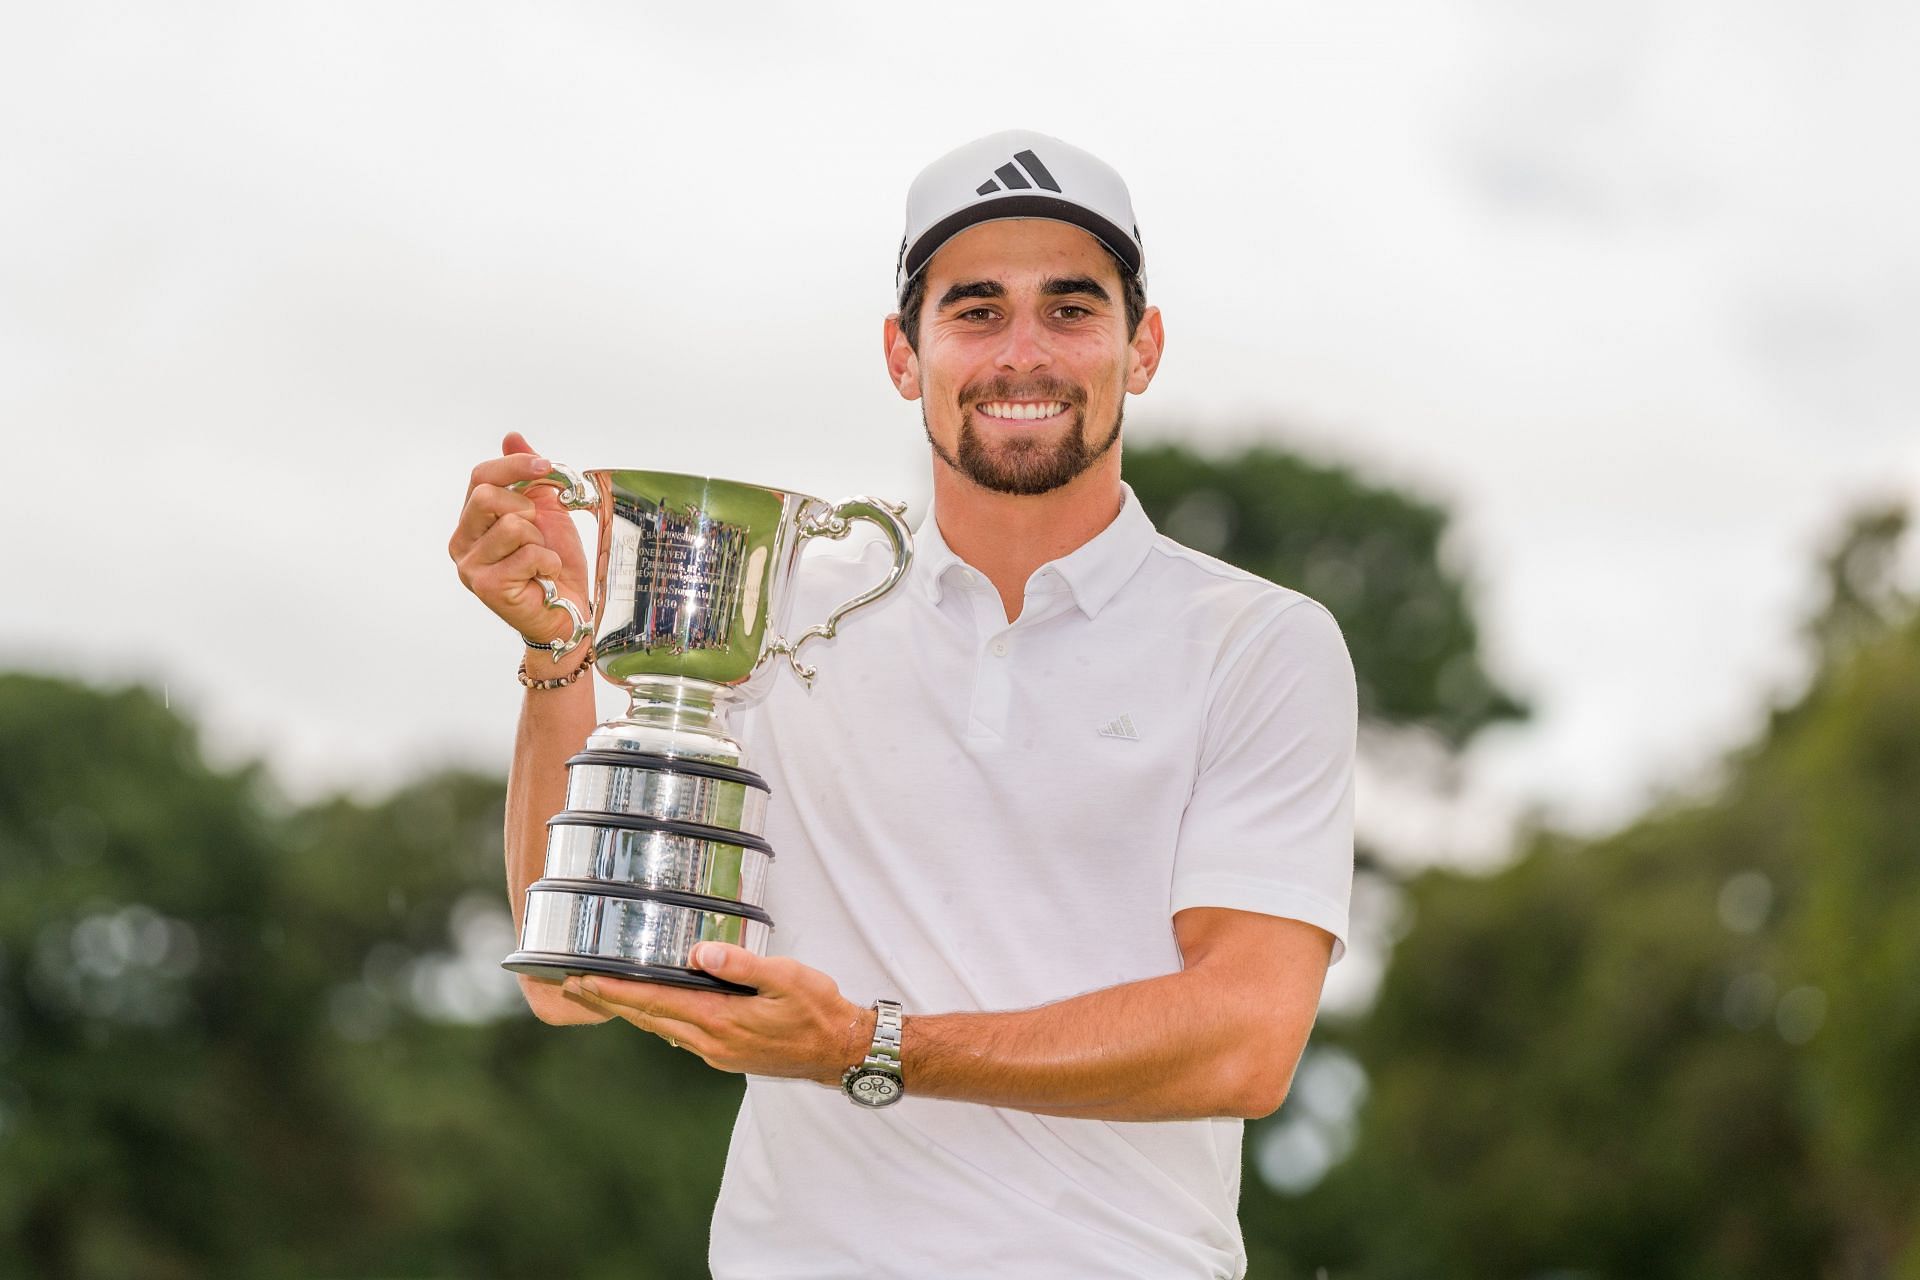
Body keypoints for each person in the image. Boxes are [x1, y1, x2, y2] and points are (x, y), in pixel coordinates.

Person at [449, 129, 1358, 1279]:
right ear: (901, 351)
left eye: (1070, 309)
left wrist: (868, 1046)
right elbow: (578, 980)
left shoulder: (1261, 642)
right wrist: (561, 660)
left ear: (1144, 346)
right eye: (975, 311)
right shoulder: (782, 600)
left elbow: (1244, 1039)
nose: (1022, 353)